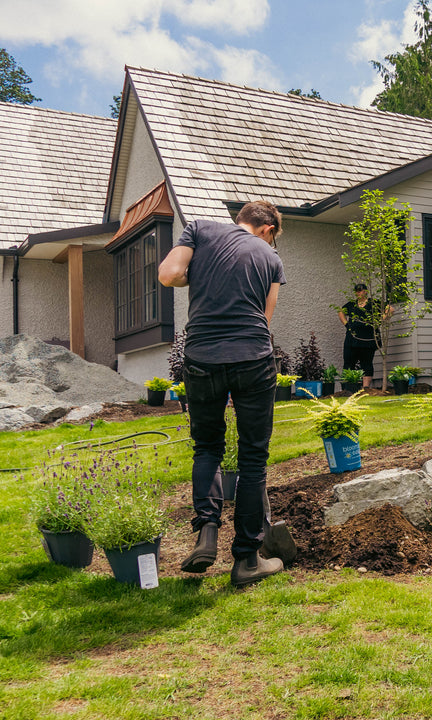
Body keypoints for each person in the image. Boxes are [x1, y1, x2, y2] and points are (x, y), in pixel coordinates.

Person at [157, 200, 289, 587]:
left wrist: (194, 275)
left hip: (202, 357)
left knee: (208, 447)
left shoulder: (200, 229)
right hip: (252, 357)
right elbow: (266, 318)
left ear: (240, 220)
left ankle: (206, 534)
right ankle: (247, 561)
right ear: (267, 230)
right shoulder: (270, 257)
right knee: (252, 458)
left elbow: (169, 274)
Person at [337, 283, 393, 389]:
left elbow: (390, 309)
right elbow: (340, 311)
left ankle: (365, 388)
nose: (358, 292)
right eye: (357, 291)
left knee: (366, 362)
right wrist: (346, 324)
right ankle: (348, 388)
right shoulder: (352, 304)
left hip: (368, 338)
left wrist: (380, 320)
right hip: (352, 338)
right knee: (349, 362)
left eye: (361, 290)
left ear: (366, 291)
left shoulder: (373, 303)